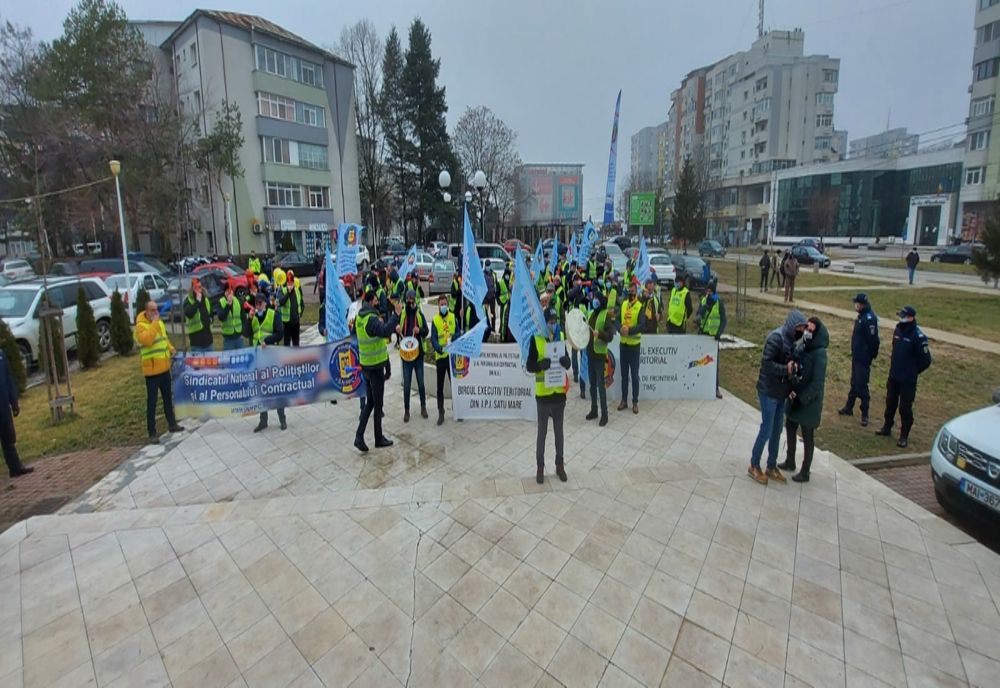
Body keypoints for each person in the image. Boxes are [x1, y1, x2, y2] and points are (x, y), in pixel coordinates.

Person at [748, 309, 807, 485]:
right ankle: (753, 464)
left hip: (781, 393)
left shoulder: (792, 342)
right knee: (766, 428)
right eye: (799, 328)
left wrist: (792, 379)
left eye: (803, 329)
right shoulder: (776, 338)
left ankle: (771, 466)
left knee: (777, 431)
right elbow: (767, 364)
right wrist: (786, 370)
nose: (801, 332)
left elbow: (790, 365)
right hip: (768, 391)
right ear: (792, 326)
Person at [778, 317, 828, 482]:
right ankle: (790, 460)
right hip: (795, 396)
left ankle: (805, 470)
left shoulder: (820, 353)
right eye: (807, 328)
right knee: (790, 426)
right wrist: (792, 388)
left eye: (811, 330)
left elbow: (817, 383)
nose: (807, 332)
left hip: (808, 402)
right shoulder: (802, 346)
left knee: (807, 435)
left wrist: (802, 397)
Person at [526, 307, 572, 484]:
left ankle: (560, 465)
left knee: (559, 433)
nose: (553, 324)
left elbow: (567, 363)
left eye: (555, 321)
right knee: (542, 433)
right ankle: (540, 467)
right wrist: (539, 365)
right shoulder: (536, 339)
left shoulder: (560, 338)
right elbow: (529, 365)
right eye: (550, 321)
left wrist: (566, 362)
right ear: (544, 323)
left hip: (559, 394)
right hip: (543, 395)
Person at [875, 306, 931, 448]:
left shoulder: (918, 336)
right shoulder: (898, 330)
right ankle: (887, 427)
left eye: (904, 315)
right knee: (890, 403)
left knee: (905, 408)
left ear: (911, 317)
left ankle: (904, 435)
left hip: (908, 380)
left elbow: (926, 360)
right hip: (894, 376)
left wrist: (913, 371)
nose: (901, 318)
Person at [355, 289, 402, 451]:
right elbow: (384, 332)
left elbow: (378, 341)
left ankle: (359, 436)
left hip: (367, 366)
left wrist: (387, 363)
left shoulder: (360, 318)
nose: (378, 302)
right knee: (378, 404)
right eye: (375, 300)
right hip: (374, 368)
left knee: (371, 403)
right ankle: (378, 437)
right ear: (369, 301)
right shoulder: (371, 320)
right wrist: (396, 315)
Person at [135, 299, 184, 444]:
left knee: (168, 398)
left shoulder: (159, 324)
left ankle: (172, 423)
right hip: (151, 372)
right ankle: (152, 432)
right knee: (152, 402)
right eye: (153, 310)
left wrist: (171, 349)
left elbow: (164, 339)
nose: (156, 312)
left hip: (164, 368)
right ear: (146, 311)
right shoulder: (140, 326)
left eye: (157, 310)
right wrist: (155, 323)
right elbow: (148, 340)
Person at [838, 293, 879, 426]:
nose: (855, 305)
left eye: (857, 303)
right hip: (857, 357)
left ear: (863, 304)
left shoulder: (869, 319)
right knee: (854, 382)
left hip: (863, 359)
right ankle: (849, 407)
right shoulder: (861, 317)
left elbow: (873, 341)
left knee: (861, 385)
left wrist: (869, 356)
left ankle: (865, 413)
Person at [250, 293, 287, 432]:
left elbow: (280, 333)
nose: (257, 306)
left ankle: (282, 418)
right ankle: (263, 420)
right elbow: (248, 333)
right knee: (261, 389)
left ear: (265, 303)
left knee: (275, 387)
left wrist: (268, 341)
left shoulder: (273, 314)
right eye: (256, 303)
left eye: (260, 303)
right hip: (258, 357)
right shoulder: (253, 316)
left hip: (271, 355)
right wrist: (249, 319)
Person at [397, 289, 429, 422]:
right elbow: (396, 328)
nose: (410, 301)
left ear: (415, 299)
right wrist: (397, 329)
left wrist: (419, 330)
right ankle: (407, 410)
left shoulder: (420, 315)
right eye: (408, 298)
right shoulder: (403, 314)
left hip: (418, 354)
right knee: (407, 385)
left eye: (411, 298)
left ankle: (423, 407)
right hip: (406, 356)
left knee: (421, 383)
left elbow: (426, 331)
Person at [586, 293, 616, 426]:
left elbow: (610, 336)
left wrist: (600, 334)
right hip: (590, 353)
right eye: (594, 299)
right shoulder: (592, 313)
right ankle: (594, 410)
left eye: (597, 299)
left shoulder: (606, 315)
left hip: (599, 356)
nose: (594, 301)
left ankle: (605, 414)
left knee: (600, 386)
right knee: (592, 385)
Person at [0, 349, 29, 477]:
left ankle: (15, 467)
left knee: (9, 437)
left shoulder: (1, 354)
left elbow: (8, 377)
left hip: (3, 404)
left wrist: (14, 400)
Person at [617, 279, 645, 414]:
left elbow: (641, 325)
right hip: (623, 345)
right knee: (624, 375)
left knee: (634, 375)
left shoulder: (640, 306)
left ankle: (635, 402)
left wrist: (630, 330)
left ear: (637, 291)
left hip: (634, 346)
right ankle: (624, 400)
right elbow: (616, 320)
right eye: (629, 290)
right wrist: (620, 328)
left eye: (633, 290)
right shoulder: (623, 305)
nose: (631, 292)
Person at [696, 283, 727, 399]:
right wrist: (705, 307)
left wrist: (719, 332)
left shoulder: (719, 303)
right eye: (707, 291)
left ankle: (715, 388)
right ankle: (700, 385)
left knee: (714, 363)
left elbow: (724, 320)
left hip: (713, 337)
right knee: (701, 361)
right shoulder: (704, 301)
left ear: (714, 292)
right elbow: (698, 315)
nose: (708, 293)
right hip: (703, 334)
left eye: (711, 291)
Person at [430, 294, 456, 426]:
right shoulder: (435, 320)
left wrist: (456, 337)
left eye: (445, 304)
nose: (443, 306)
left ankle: (458, 409)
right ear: (438, 306)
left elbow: (456, 333)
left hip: (452, 357)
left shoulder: (452, 317)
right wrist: (439, 348)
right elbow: (433, 338)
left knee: (455, 385)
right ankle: (441, 412)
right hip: (441, 357)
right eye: (441, 304)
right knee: (439, 387)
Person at [183, 278, 214, 352]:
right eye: (195, 288)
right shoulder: (188, 300)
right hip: (197, 343)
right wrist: (197, 301)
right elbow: (189, 313)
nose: (198, 290)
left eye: (199, 287)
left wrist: (210, 319)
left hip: (208, 341)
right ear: (192, 289)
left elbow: (211, 313)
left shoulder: (206, 299)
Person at [278, 270, 304, 346]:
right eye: (288, 283)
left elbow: (301, 303)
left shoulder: (297, 290)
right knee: (287, 343)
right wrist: (288, 293)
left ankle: (296, 357)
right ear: (286, 283)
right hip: (286, 323)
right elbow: (280, 302)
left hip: (296, 322)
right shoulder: (282, 290)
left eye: (291, 283)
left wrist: (299, 315)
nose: (290, 285)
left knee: (296, 342)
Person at [218, 283, 246, 351]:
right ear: (225, 292)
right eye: (227, 291)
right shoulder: (221, 302)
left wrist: (243, 332)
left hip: (239, 337)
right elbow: (221, 317)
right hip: (228, 338)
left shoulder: (238, 301)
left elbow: (243, 317)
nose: (229, 293)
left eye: (231, 291)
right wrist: (228, 305)